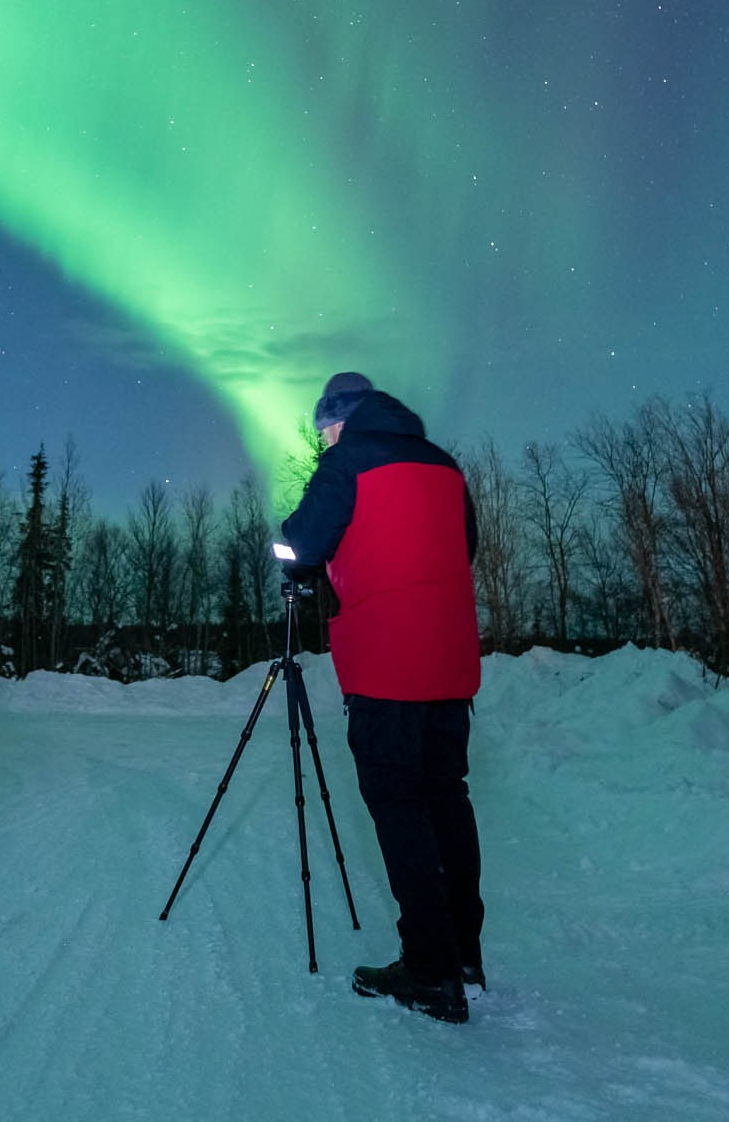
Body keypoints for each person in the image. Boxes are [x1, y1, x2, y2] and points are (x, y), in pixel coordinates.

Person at [278, 371, 485, 1024]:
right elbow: (465, 548)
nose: (323, 439)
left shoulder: (349, 461)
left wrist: (296, 563)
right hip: (451, 662)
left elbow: (300, 542)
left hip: (386, 663)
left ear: (341, 417)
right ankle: (464, 953)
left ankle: (429, 970)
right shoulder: (444, 465)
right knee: (446, 795)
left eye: (324, 427)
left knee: (399, 807)